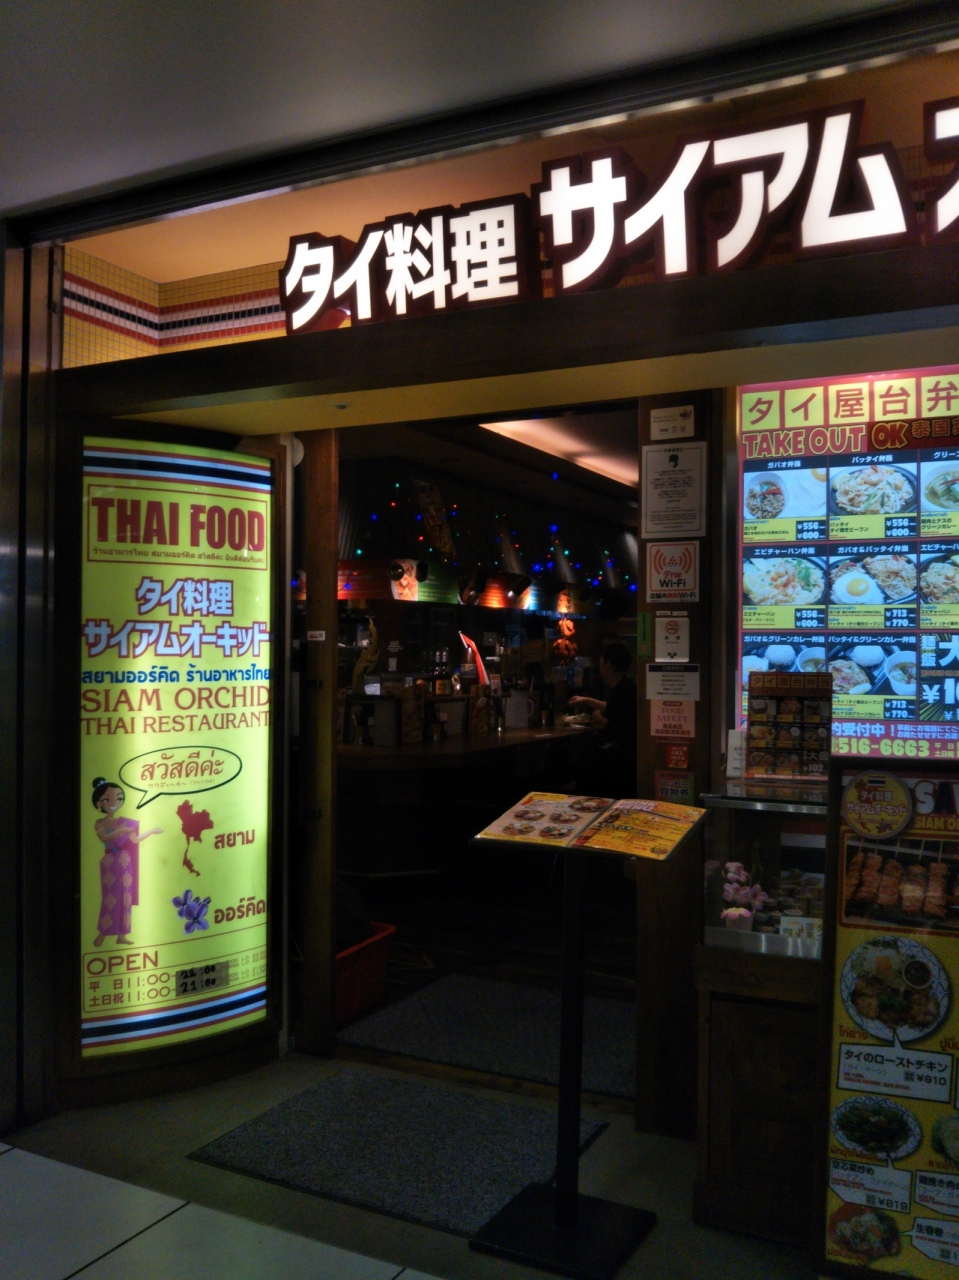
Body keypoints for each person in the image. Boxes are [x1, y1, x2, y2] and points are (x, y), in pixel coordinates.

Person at [91, 777, 163, 947]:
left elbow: (135, 840)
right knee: (110, 897)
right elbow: (104, 838)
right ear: (99, 804)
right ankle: (103, 933)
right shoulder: (99, 823)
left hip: (125, 861)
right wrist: (120, 831)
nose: (114, 803)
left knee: (125, 896)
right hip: (110, 861)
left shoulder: (124, 822)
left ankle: (122, 935)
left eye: (119, 798)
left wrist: (151, 831)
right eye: (108, 799)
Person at [568, 643, 637, 797]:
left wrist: (600, 719)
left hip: (620, 761)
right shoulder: (625, 686)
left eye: (601, 662)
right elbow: (614, 708)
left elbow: (621, 729)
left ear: (609, 664)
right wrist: (586, 700)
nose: (600, 668)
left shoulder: (623, 690)